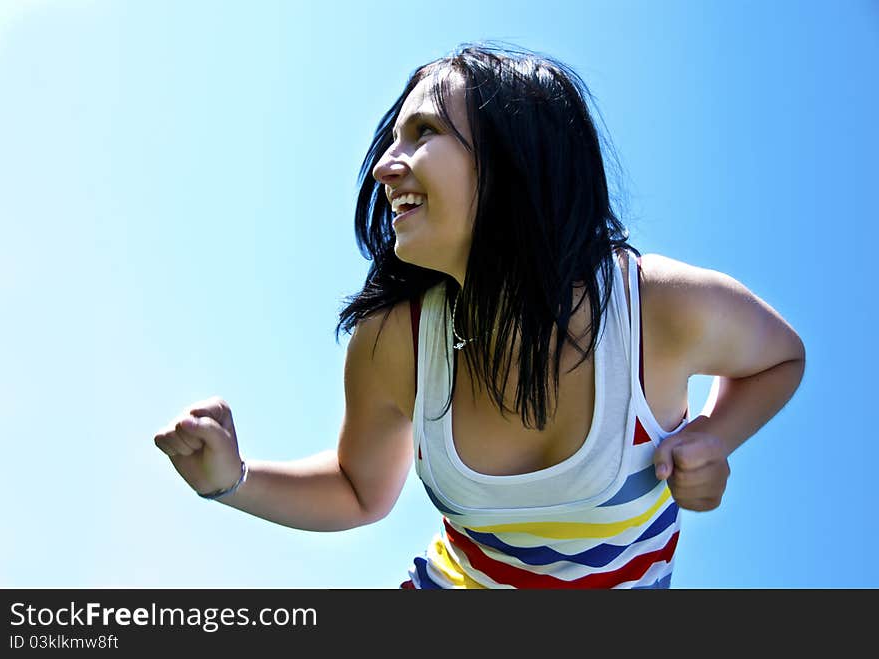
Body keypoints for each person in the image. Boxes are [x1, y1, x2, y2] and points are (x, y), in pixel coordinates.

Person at [153, 43, 806, 589]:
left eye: (424, 131)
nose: (384, 164)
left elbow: (781, 357)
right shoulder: (396, 342)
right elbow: (359, 488)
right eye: (391, 138)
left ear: (516, 157)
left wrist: (716, 433)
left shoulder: (657, 307)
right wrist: (230, 480)